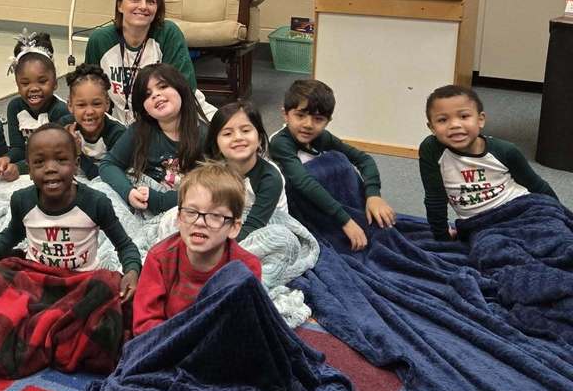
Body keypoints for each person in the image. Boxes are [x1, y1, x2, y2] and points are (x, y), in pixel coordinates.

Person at [0, 124, 140, 300]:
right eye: (39, 162)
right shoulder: (22, 201)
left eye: (61, 160)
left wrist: (132, 271)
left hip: (81, 282)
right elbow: (12, 234)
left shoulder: (96, 203)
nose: (50, 168)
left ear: (75, 165)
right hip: (35, 278)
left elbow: (124, 245)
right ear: (29, 170)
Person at [133, 162, 261, 335]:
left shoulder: (247, 267)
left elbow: (245, 326)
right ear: (178, 218)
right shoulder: (159, 259)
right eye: (191, 212)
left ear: (234, 227)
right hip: (167, 346)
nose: (200, 222)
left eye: (215, 215)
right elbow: (144, 325)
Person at [269, 79, 396, 251]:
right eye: (300, 115)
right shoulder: (280, 143)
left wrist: (373, 195)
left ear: (328, 121)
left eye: (318, 119)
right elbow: (302, 182)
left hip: (327, 203)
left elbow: (363, 159)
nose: (308, 124)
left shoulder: (322, 137)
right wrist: (345, 221)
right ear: (285, 114)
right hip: (296, 209)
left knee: (338, 161)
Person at [420, 85, 558, 240]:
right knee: (493, 253)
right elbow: (435, 198)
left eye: (464, 116)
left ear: (480, 120)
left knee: (555, 235)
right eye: (443, 120)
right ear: (432, 127)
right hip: (481, 225)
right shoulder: (432, 150)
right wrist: (442, 235)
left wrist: (560, 215)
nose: (455, 125)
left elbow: (538, 186)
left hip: (521, 207)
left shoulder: (505, 150)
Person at [84, 0, 211, 124]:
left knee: (227, 134)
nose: (143, 6)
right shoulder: (100, 40)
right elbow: (88, 90)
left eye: (150, 1)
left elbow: (184, 89)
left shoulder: (168, 33)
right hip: (124, 121)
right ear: (120, 5)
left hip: (175, 117)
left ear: (157, 9)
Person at [98, 63, 207, 215]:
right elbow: (108, 164)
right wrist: (128, 192)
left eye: (162, 86)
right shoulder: (139, 131)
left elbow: (212, 191)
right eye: (147, 94)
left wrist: (159, 200)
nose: (155, 95)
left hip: (182, 207)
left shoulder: (204, 135)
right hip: (140, 202)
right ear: (145, 109)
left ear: (181, 89)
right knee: (99, 194)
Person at [0, 31, 73, 180]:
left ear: (55, 83)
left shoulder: (60, 111)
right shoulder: (15, 107)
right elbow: (18, 148)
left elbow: (55, 157)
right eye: (25, 83)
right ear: (17, 84)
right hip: (27, 167)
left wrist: (19, 168)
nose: (33, 88)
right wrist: (6, 159)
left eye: (42, 81)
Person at [205, 100, 288, 239]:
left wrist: (215, 250)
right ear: (216, 144)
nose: (238, 138)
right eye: (227, 133)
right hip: (231, 223)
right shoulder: (215, 171)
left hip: (266, 228)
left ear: (260, 139)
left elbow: (253, 227)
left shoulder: (270, 177)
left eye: (245, 130)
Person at [64, 64, 125, 179]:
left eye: (96, 104)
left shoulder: (118, 134)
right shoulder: (65, 128)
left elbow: (110, 177)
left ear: (107, 103)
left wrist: (76, 152)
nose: (90, 111)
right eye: (81, 105)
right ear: (70, 105)